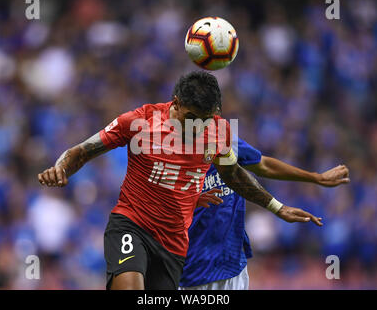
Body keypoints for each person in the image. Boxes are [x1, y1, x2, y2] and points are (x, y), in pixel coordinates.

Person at [38, 71, 322, 290]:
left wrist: (276, 207)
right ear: (175, 104)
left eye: (204, 120)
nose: (196, 127)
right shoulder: (140, 123)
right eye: (189, 118)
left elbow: (234, 176)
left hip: (173, 244)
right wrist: (61, 167)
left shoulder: (218, 133)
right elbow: (82, 151)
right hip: (132, 224)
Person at [179, 137, 350, 290]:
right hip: (190, 270)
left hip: (231, 266)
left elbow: (263, 165)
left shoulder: (224, 139)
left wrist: (316, 178)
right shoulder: (167, 154)